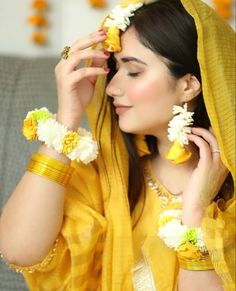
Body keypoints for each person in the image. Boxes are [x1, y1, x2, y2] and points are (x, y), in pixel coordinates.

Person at [0, 0, 235, 290]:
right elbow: (19, 250)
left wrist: (196, 213)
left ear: (188, 85)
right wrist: (66, 120)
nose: (111, 88)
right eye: (114, 71)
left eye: (134, 72)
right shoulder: (106, 173)